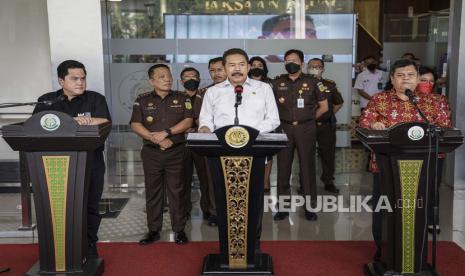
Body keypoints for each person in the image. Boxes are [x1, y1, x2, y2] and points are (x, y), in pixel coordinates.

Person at [359, 59, 451, 260]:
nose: (406, 79)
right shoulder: (379, 99)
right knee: (385, 210)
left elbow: (444, 127)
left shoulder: (435, 102)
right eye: (400, 75)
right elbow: (364, 121)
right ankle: (383, 252)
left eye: (410, 75)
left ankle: (414, 255)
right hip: (385, 166)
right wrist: (373, 125)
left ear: (418, 79)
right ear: (392, 79)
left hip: (421, 168)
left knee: (416, 209)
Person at [198, 48, 280, 251]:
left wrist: (246, 135)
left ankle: (252, 247)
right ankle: (228, 249)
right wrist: (206, 128)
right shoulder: (213, 92)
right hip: (221, 156)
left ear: (249, 66)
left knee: (253, 202)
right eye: (232, 65)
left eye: (241, 64)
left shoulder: (264, 88)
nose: (237, 69)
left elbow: (273, 119)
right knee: (224, 201)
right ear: (224, 67)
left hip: (256, 154)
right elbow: (205, 120)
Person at [33, 60, 111, 257]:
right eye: (74, 78)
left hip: (91, 161)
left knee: (90, 205)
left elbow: (104, 121)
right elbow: (35, 127)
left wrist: (65, 123)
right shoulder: (46, 101)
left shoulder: (95, 99)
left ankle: (90, 244)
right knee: (61, 208)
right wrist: (74, 121)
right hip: (54, 165)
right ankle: (61, 248)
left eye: (83, 78)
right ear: (61, 80)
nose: (80, 83)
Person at [130, 64, 193, 246]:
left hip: (177, 151)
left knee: (177, 191)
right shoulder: (141, 100)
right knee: (153, 192)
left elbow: (188, 121)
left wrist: (166, 133)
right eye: (162, 76)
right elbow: (135, 124)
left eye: (169, 76)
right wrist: (155, 138)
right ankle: (153, 230)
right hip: (152, 153)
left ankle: (179, 230)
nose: (167, 79)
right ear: (151, 81)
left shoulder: (182, 98)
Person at [272, 49, 328, 222]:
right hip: (284, 129)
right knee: (283, 169)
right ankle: (282, 208)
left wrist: (309, 119)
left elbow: (324, 107)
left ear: (302, 63)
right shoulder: (277, 82)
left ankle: (310, 208)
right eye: (287, 60)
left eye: (294, 60)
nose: (291, 63)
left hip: (306, 129)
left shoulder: (313, 82)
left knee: (307, 168)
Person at [180, 67, 217, 227]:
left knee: (206, 179)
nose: (190, 79)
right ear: (181, 81)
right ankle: (184, 210)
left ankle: (208, 210)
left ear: (199, 79)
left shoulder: (207, 95)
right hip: (182, 143)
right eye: (187, 77)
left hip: (202, 142)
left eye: (194, 76)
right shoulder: (176, 98)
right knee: (183, 178)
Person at [418, 65, 452, 233]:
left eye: (431, 81)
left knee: (432, 186)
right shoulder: (405, 100)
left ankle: (432, 220)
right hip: (408, 152)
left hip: (434, 150)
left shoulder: (440, 100)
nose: (427, 84)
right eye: (423, 80)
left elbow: (445, 124)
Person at [307, 58, 344, 193]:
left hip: (325, 126)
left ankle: (328, 181)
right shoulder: (301, 83)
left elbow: (339, 102)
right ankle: (304, 182)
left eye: (318, 66)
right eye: (312, 66)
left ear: (323, 68)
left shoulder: (329, 85)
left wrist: (328, 114)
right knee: (306, 155)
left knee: (327, 154)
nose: (315, 68)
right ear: (307, 67)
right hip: (306, 126)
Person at [248, 56, 273, 192]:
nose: (256, 67)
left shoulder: (271, 84)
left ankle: (265, 181)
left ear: (264, 68)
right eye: (253, 65)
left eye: (260, 65)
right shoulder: (243, 83)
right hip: (249, 124)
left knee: (266, 154)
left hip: (267, 125)